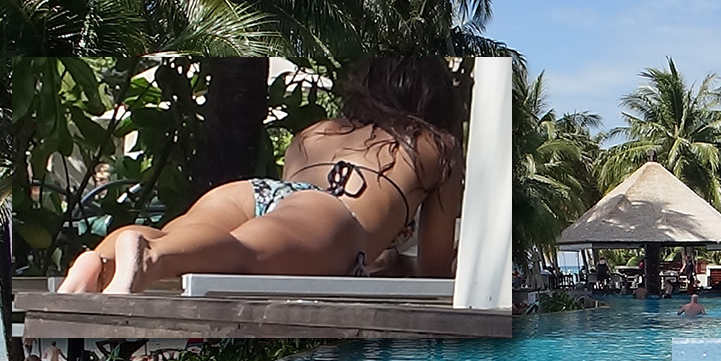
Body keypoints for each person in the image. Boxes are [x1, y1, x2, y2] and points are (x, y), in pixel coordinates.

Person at [57, 57, 465, 294]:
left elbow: (290, 197)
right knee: (243, 254)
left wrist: (385, 257)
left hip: (255, 193)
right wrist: (397, 260)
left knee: (178, 235)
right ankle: (149, 257)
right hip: (330, 215)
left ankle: (100, 260)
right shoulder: (436, 145)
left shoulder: (316, 132)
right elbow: (433, 272)